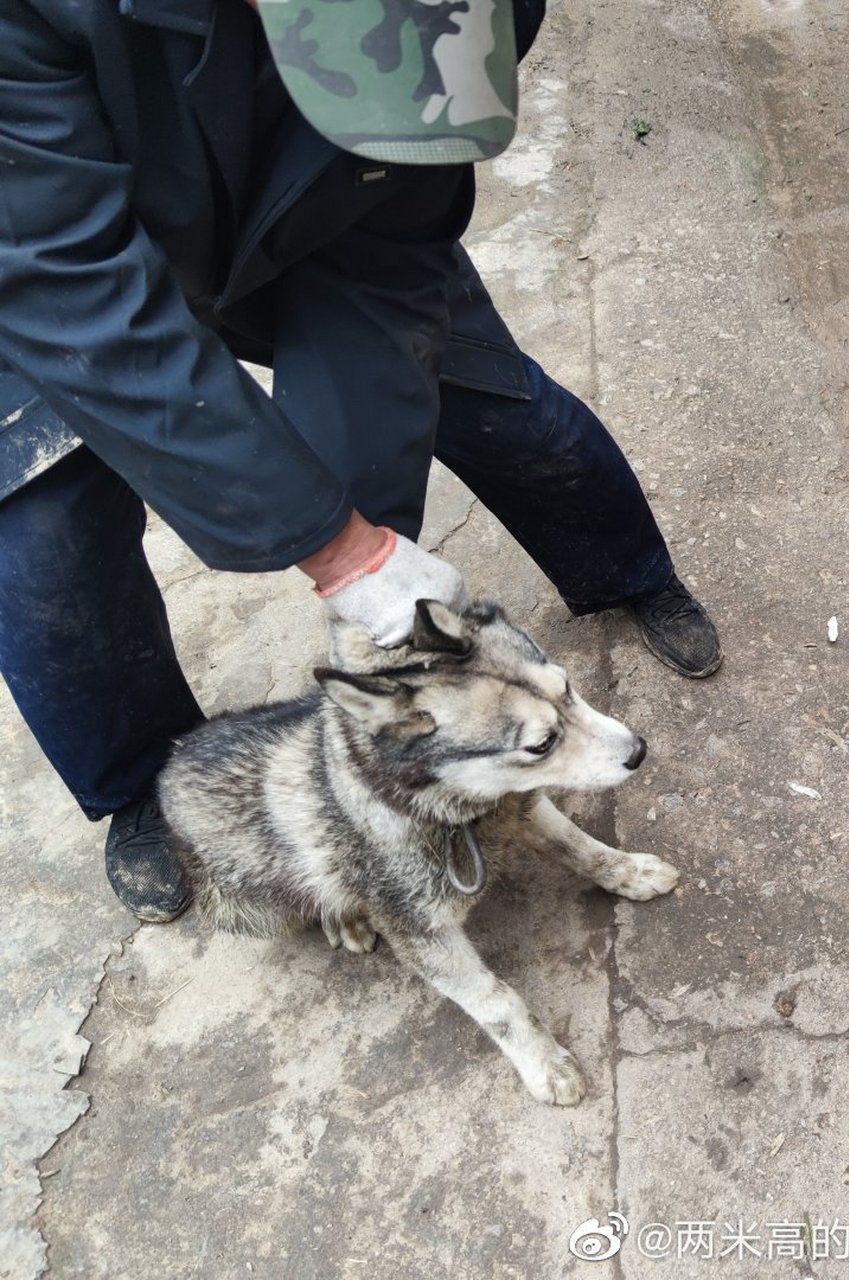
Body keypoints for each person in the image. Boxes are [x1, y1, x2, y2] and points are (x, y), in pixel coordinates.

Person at [0, 0, 720, 924]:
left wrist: (375, 559)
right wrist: (333, 552)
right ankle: (143, 782)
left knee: (491, 400)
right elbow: (73, 295)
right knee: (46, 546)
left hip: (324, 201)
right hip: (35, 251)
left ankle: (625, 572)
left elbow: (387, 263)